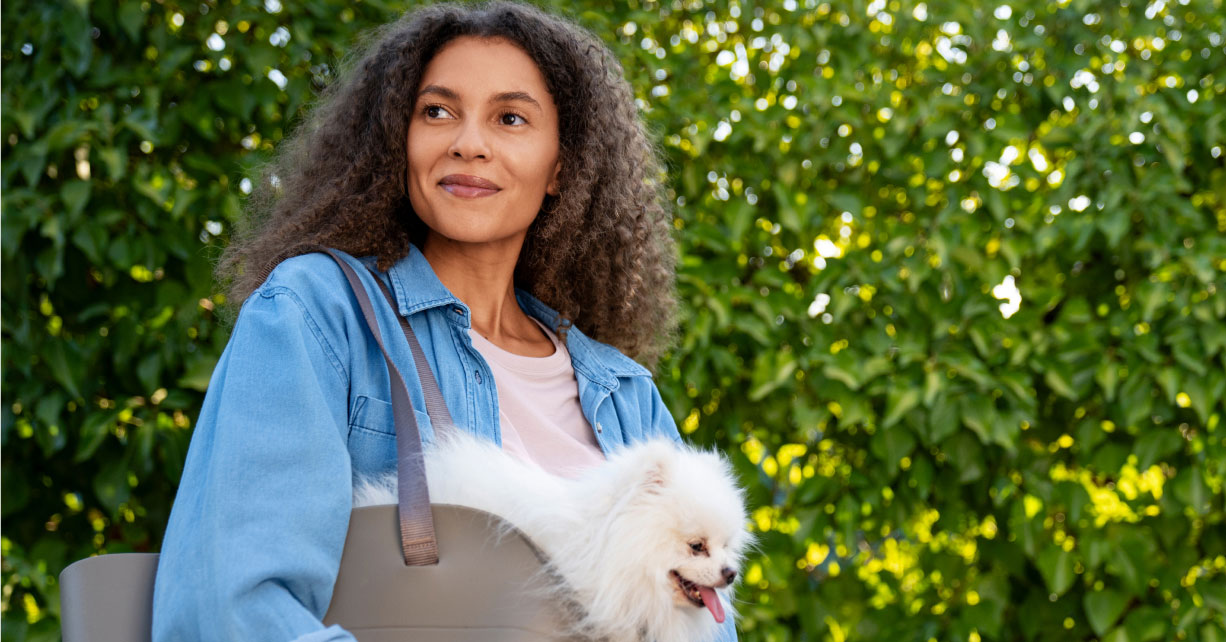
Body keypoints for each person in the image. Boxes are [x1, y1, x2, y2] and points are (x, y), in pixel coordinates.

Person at [152, 2, 737, 640]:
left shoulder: (627, 400)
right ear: (398, 141)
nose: (468, 142)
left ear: (561, 169)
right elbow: (234, 608)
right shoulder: (316, 313)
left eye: (510, 118)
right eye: (437, 111)